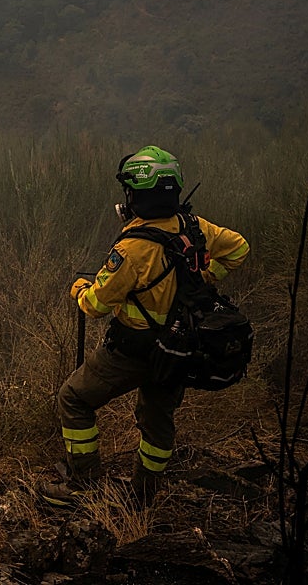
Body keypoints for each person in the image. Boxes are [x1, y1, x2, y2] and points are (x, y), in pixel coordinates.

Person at [40, 146, 250, 508]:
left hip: (132, 349)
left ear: (135, 194)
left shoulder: (132, 248)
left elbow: (95, 306)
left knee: (74, 399)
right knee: (157, 420)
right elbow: (239, 249)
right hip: (180, 348)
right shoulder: (195, 227)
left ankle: (83, 485)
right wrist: (205, 279)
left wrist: (79, 290)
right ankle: (143, 496)